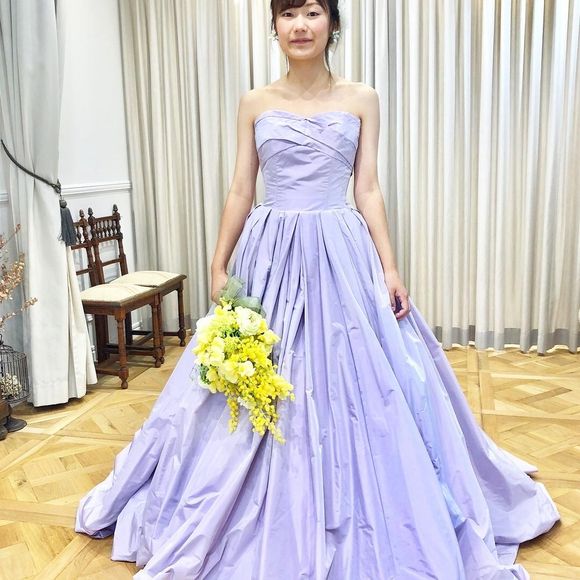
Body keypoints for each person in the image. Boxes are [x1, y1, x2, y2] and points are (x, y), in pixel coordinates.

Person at [76, 1, 560, 578]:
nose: (299, 26)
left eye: (311, 12)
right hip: (270, 252)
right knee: (251, 373)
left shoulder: (362, 98)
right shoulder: (255, 102)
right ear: (274, 26)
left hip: (339, 251)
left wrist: (390, 268)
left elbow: (368, 188)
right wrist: (218, 261)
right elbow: (241, 188)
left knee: (364, 378)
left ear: (332, 23)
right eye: (287, 14)